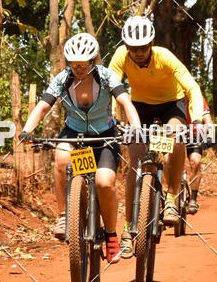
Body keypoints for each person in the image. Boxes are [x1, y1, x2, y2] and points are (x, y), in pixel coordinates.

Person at [19, 32, 142, 263]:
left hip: (105, 136)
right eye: (74, 63)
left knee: (104, 183)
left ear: (93, 61)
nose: (78, 68)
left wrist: (135, 127)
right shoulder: (63, 79)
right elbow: (43, 106)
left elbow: (125, 102)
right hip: (74, 133)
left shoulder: (106, 77)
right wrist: (27, 130)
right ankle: (64, 215)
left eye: (83, 64)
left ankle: (111, 235)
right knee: (61, 158)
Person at [108, 15, 208, 258]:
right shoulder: (121, 56)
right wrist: (112, 118)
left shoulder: (165, 56)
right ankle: (128, 228)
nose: (138, 52)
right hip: (139, 107)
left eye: (143, 47)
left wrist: (196, 119)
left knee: (176, 136)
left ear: (151, 43)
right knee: (135, 162)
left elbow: (192, 88)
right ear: (126, 46)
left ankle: (172, 198)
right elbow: (109, 88)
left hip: (170, 104)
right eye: (133, 48)